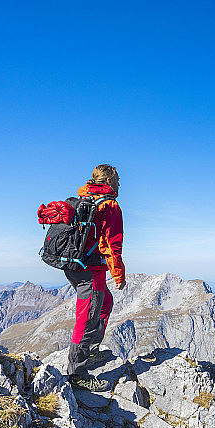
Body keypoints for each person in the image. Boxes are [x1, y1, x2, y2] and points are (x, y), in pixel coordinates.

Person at [65, 164, 126, 392]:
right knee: (87, 317)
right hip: (91, 269)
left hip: (76, 266)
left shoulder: (86, 198)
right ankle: (78, 373)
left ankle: (89, 351)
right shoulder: (109, 205)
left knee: (104, 303)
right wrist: (118, 275)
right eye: (117, 179)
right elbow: (113, 246)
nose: (120, 183)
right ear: (109, 181)